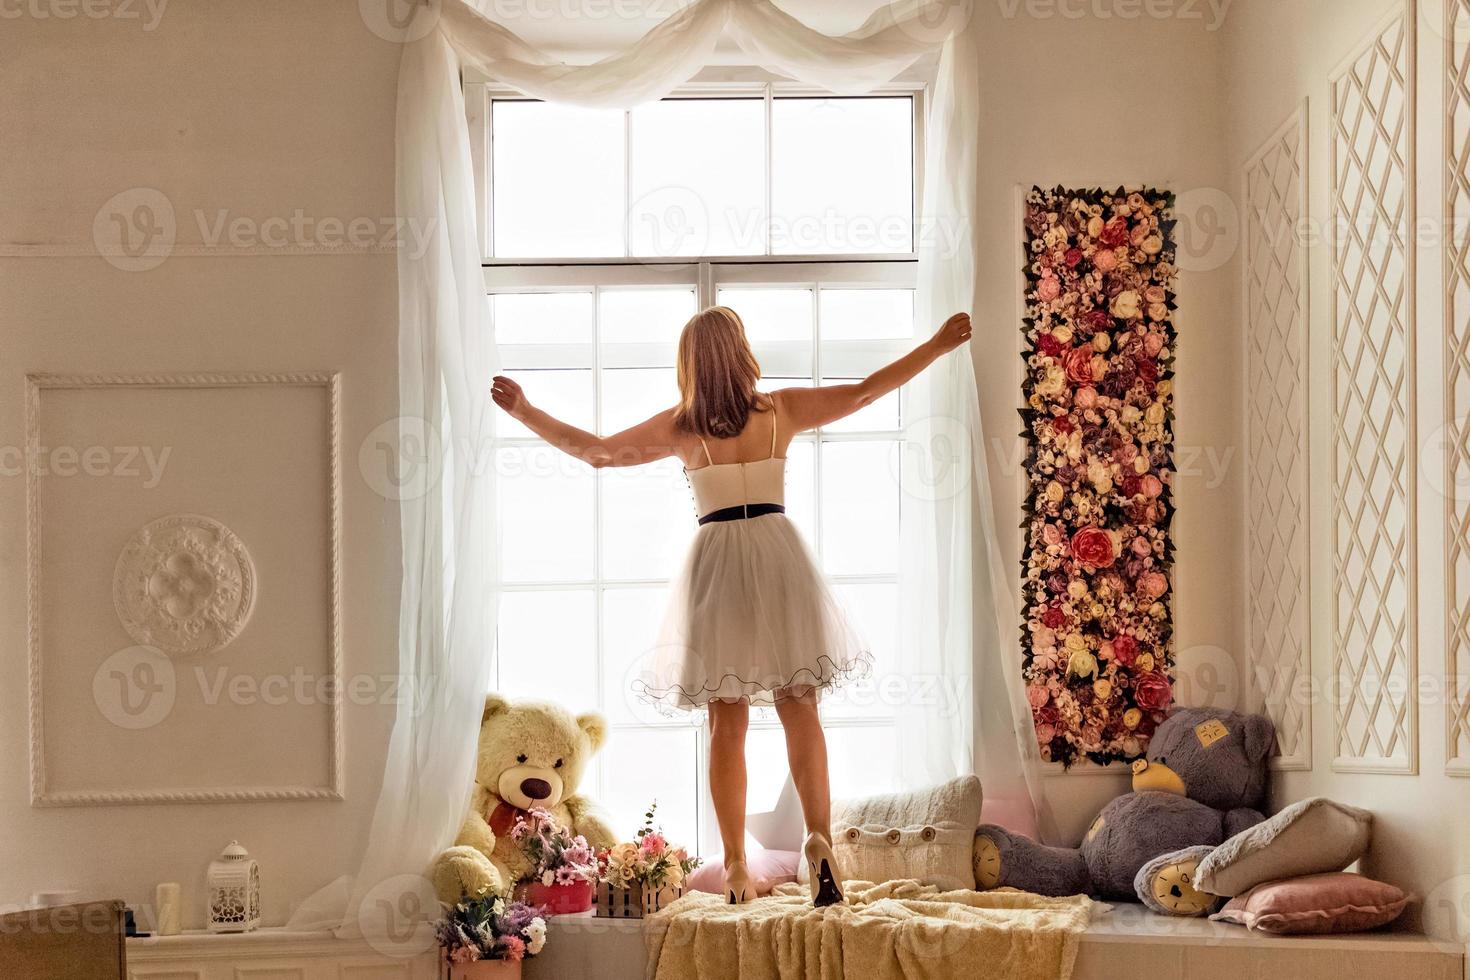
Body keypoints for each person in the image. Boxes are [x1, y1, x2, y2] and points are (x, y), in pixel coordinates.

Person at [491, 306, 973, 906]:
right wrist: (937, 344)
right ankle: (819, 841)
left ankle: (739, 866)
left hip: (717, 564)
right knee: (801, 709)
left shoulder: (682, 427)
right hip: (778, 555)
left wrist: (525, 410)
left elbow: (597, 452)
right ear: (742, 353)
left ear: (688, 365)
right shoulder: (781, 411)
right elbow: (865, 391)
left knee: (727, 722)